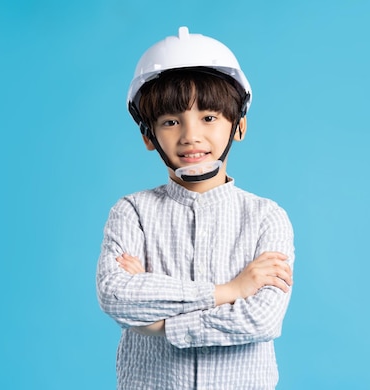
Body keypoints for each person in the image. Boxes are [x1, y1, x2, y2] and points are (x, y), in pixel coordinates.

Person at [96, 26, 295, 390]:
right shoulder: (131, 212)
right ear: (147, 136)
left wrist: (158, 322)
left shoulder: (267, 217)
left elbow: (263, 320)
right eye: (171, 121)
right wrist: (229, 291)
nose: (190, 136)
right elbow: (116, 297)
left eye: (209, 117)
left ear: (238, 126)